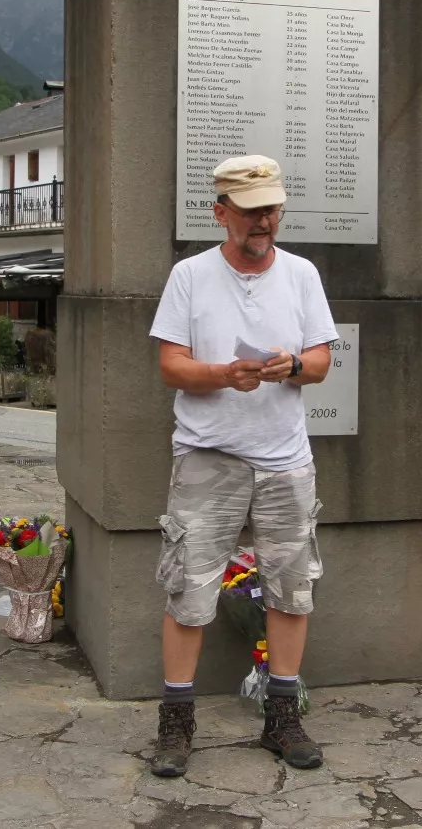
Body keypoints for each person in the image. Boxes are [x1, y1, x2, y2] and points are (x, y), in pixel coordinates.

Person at [147, 155, 339, 778]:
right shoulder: (190, 276)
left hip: (286, 459)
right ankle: (176, 723)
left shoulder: (303, 274)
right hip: (207, 458)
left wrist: (289, 367)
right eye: (253, 209)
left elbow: (321, 361)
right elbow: (171, 365)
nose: (265, 220)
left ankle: (282, 717)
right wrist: (222, 374)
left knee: (291, 590)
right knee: (188, 590)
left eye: (273, 208)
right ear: (221, 211)